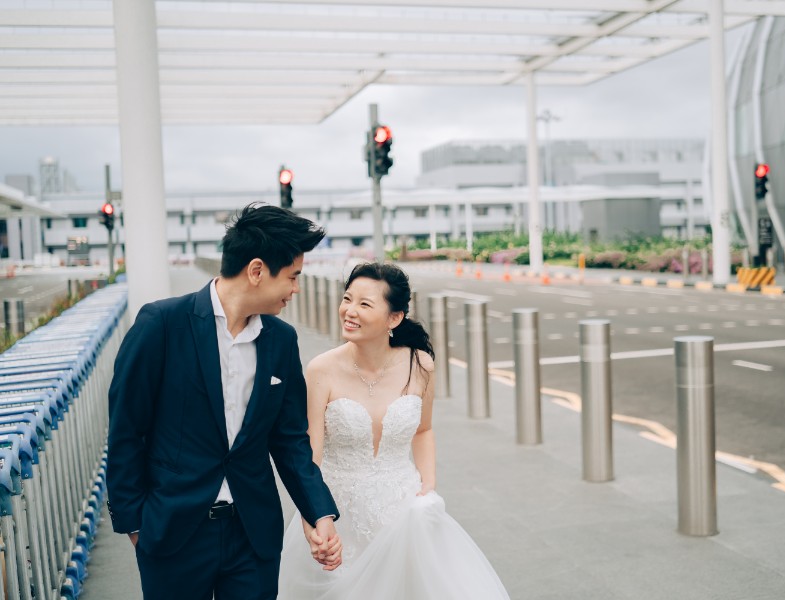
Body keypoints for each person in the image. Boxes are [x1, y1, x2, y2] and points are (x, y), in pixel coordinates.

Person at [107, 203, 342, 600]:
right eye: (293, 276)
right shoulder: (161, 325)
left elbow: (289, 440)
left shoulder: (281, 341)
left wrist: (319, 511)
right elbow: (126, 429)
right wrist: (136, 526)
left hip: (252, 536)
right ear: (256, 271)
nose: (296, 289)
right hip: (173, 534)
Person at [278, 262, 509, 599]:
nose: (349, 311)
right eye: (347, 299)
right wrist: (312, 520)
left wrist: (427, 487)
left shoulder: (420, 364)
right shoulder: (321, 370)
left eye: (364, 304)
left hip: (402, 512)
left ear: (394, 318)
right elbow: (308, 455)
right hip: (338, 515)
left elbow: (424, 430)